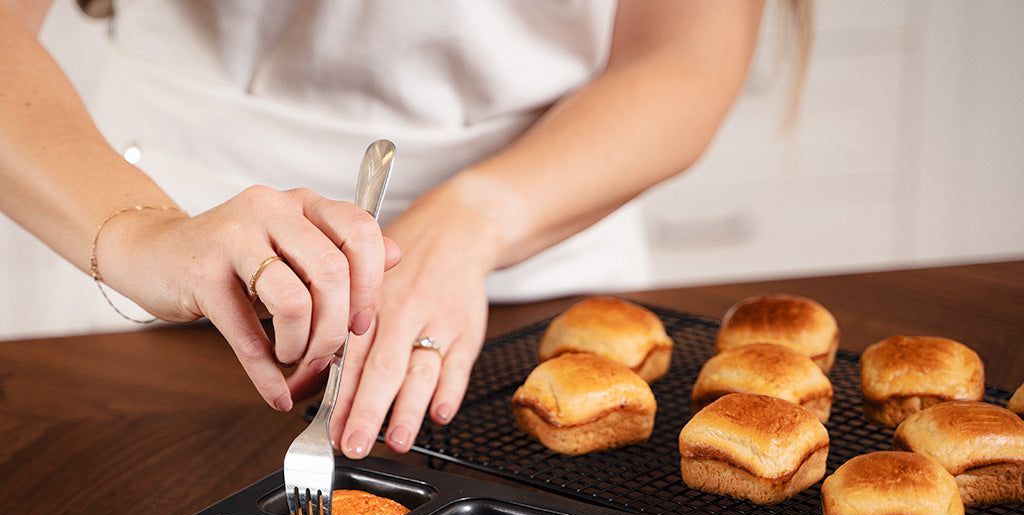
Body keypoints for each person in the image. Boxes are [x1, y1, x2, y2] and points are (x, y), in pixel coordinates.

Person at [0, 0, 810, 459]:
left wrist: (478, 217)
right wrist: (141, 232)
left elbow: (687, 57)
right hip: (176, 263)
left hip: (551, 261)